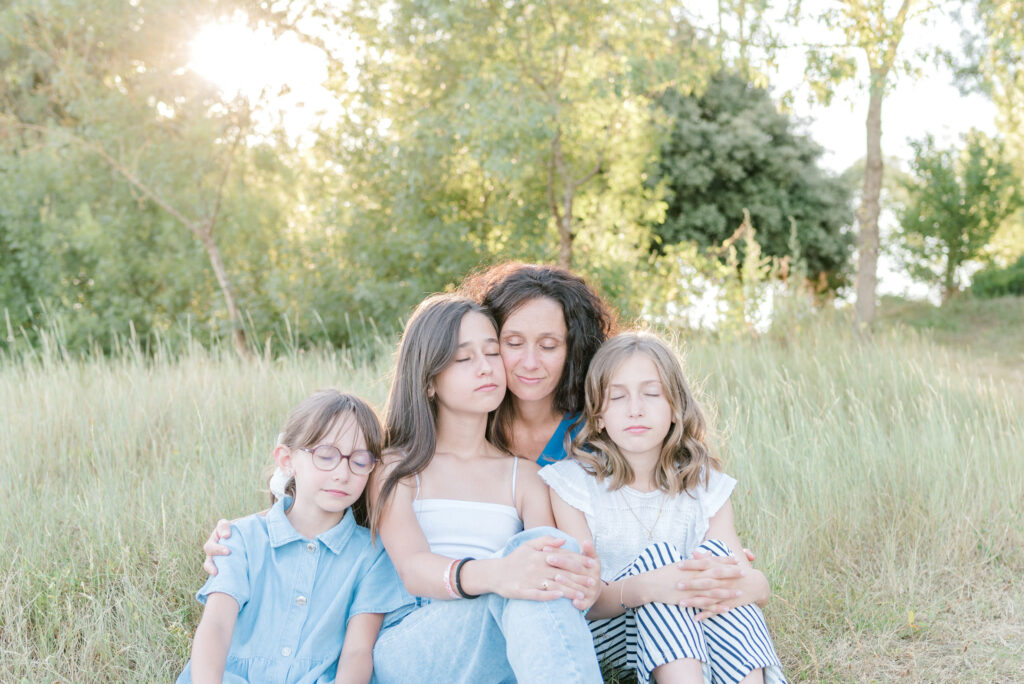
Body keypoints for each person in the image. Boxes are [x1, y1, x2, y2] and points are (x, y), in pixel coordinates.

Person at [368, 293, 603, 683]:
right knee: (527, 578)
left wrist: (581, 582)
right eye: (464, 358)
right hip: (414, 643)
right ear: (428, 381)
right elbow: (412, 569)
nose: (485, 368)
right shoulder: (398, 469)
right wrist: (499, 574)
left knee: (546, 556)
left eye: (492, 353)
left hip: (500, 645)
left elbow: (542, 570)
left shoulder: (524, 476)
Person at [540, 332, 786, 684]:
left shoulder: (704, 483)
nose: (635, 408)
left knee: (715, 561)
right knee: (662, 562)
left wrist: (739, 584)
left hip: (695, 625)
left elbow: (746, 583)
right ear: (597, 416)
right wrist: (656, 583)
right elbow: (588, 601)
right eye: (618, 396)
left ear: (675, 408)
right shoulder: (572, 485)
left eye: (651, 394)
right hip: (610, 632)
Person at [177, 391, 410, 684]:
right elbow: (216, 627)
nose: (342, 473)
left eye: (360, 461)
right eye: (326, 456)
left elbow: (357, 653)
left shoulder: (372, 555)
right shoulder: (241, 539)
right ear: (287, 460)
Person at [458, 262, 616, 465]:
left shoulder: (600, 431)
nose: (530, 363)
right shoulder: (470, 427)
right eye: (514, 343)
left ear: (574, 349)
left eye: (548, 346)